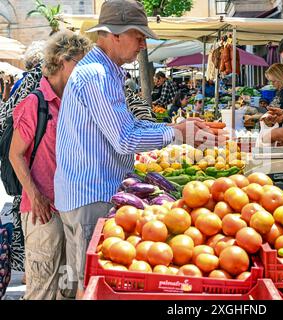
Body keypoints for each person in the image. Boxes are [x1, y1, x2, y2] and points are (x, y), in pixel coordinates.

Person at [54, 0, 220, 299]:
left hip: (86, 192)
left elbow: (128, 126)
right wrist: (176, 133)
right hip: (91, 193)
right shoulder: (97, 76)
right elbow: (125, 139)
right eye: (139, 36)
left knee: (87, 282)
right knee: (90, 286)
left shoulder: (104, 72)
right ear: (114, 34)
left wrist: (176, 127)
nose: (144, 44)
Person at [9, 31, 91, 300]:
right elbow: (15, 154)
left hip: (71, 208)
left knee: (68, 290)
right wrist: (36, 197)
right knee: (42, 290)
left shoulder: (74, 102)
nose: (84, 71)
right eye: (80, 63)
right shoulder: (36, 103)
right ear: (61, 60)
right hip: (42, 212)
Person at [0, 41, 46, 285]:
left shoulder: (24, 81)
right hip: (31, 157)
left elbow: (4, 116)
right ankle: (31, 272)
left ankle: (30, 271)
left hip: (25, 156)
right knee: (29, 209)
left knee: (24, 211)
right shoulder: (38, 80)